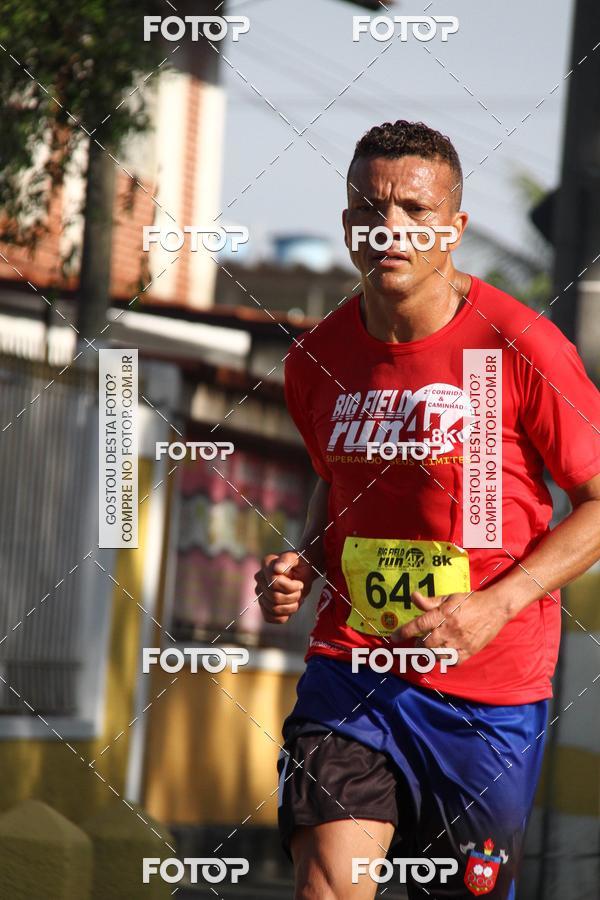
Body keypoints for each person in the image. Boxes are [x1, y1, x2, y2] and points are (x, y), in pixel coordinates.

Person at [254, 120, 600, 899]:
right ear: (347, 225)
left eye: (416, 211)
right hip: (353, 670)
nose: (391, 230)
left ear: (456, 227)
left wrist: (495, 604)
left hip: (485, 692)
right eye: (371, 210)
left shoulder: (522, 348)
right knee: (327, 883)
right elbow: (334, 479)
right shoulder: (317, 359)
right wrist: (304, 559)